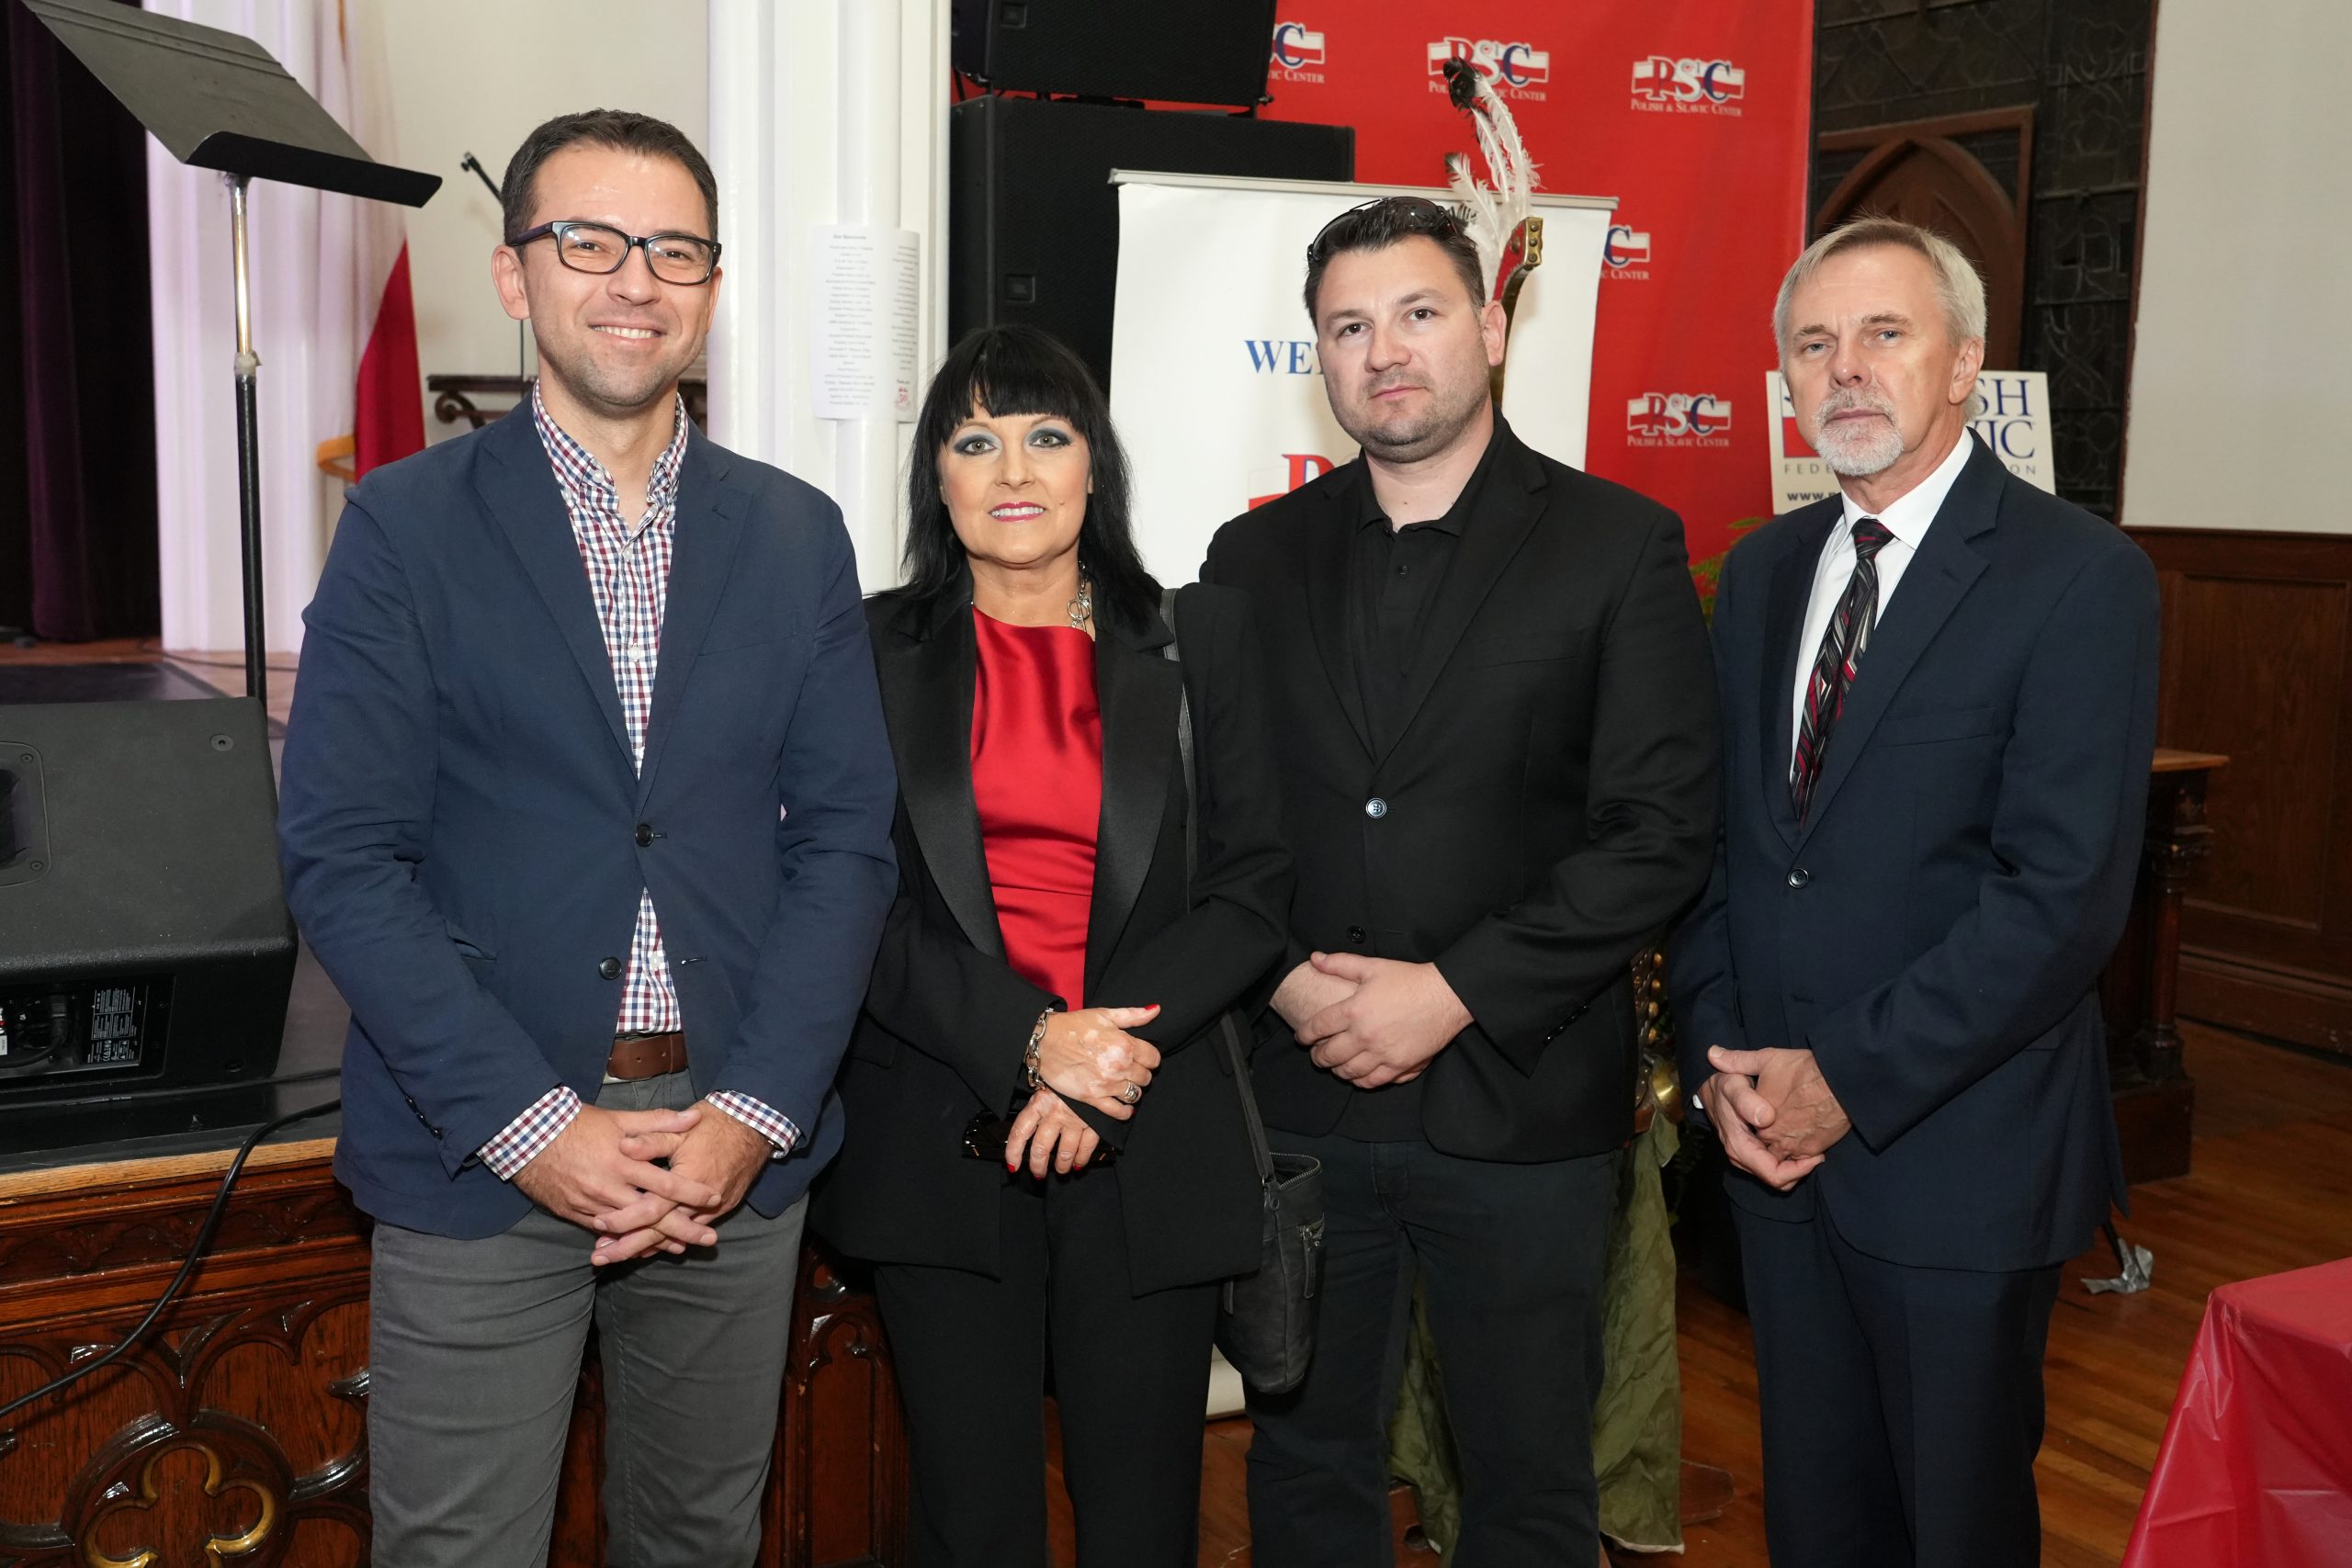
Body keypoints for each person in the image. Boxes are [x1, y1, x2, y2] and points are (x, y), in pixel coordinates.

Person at [277, 109, 898, 1566]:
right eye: (591, 242)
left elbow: (847, 844)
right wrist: (534, 1125)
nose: (634, 281)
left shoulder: (796, 535)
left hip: (727, 1144)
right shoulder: (404, 527)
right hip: (482, 1136)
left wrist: (757, 1112)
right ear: (515, 274)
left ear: (713, 287)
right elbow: (345, 859)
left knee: (698, 1542)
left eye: (675, 251)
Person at [1200, 195, 1720, 1567]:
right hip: (1303, 1099)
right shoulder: (1250, 560)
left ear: (1490, 327)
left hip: (1521, 1102)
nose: (1385, 351)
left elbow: (1660, 831)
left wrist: (1452, 992)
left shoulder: (1618, 543)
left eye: (1419, 313)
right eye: (1348, 326)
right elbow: (1209, 819)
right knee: (1306, 1468)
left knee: (1528, 1484)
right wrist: (1283, 977)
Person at [1668, 217, 2160, 1568]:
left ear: (1964, 363)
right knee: (1817, 1520)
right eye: (1813, 344)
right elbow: (1722, 850)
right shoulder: (1763, 574)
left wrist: (1847, 1078)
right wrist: (1722, 1065)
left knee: (1954, 1528)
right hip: (1774, 1152)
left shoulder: (2079, 577)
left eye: (1885, 333)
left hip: (1956, 1159)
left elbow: (2059, 900)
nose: (1845, 370)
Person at [812, 323, 1291, 1567]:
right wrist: (1030, 1042)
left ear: (1095, 466)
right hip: (938, 1136)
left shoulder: (1203, 639)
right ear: (938, 477)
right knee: (973, 1523)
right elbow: (847, 894)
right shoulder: (864, 650)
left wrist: (1094, 1065)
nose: (1014, 470)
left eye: (1047, 435)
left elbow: (1253, 890)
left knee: (1144, 1522)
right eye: (975, 442)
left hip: (1151, 1135)